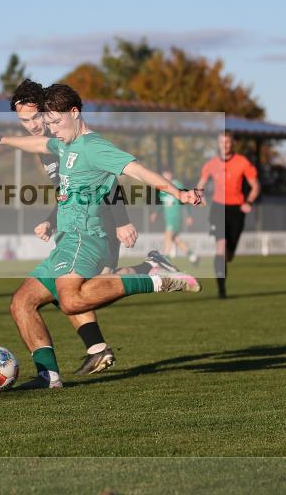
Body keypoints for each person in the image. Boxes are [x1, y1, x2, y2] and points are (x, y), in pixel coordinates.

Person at [0, 83, 201, 389]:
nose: (48, 128)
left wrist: (178, 193)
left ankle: (149, 273)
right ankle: (49, 376)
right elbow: (41, 146)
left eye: (53, 121)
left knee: (70, 300)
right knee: (22, 303)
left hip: (86, 236)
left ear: (73, 113)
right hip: (67, 239)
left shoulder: (94, 146)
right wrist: (2, 139)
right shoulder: (63, 142)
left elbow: (136, 171)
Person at [11, 80, 173, 375]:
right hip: (73, 229)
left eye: (36, 117)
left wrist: (121, 220)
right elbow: (68, 189)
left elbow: (107, 179)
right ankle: (93, 351)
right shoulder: (50, 144)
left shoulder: (75, 138)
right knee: (40, 297)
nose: (32, 125)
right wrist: (51, 218)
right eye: (24, 121)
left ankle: (149, 273)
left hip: (98, 227)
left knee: (74, 292)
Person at [196, 131, 260, 298]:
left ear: (233, 144)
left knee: (229, 255)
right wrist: (198, 196)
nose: (225, 146)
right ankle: (221, 290)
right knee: (220, 246)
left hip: (236, 210)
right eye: (221, 143)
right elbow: (201, 183)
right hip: (218, 208)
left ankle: (224, 269)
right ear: (217, 144)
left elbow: (255, 186)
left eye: (228, 143)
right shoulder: (211, 164)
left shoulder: (243, 162)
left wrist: (249, 202)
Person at [150, 170, 198, 264]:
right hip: (168, 218)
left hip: (175, 217)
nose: (164, 178)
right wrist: (155, 213)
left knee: (168, 235)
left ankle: (166, 259)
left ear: (170, 175)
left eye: (166, 175)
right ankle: (192, 255)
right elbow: (162, 203)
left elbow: (186, 199)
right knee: (176, 239)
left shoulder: (177, 185)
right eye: (163, 176)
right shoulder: (163, 187)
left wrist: (189, 216)